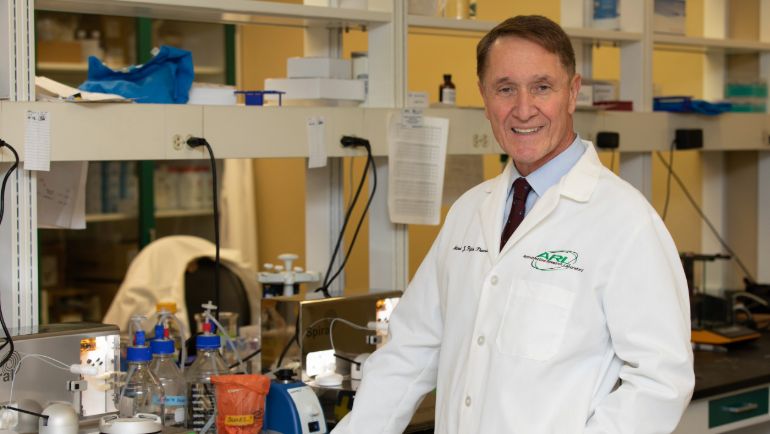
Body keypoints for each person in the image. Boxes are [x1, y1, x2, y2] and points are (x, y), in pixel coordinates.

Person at [332, 15, 694, 434]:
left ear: (572, 92)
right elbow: (411, 351)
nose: (524, 109)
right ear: (485, 98)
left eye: (542, 87)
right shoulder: (470, 211)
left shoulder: (625, 221)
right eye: (505, 89)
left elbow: (661, 381)